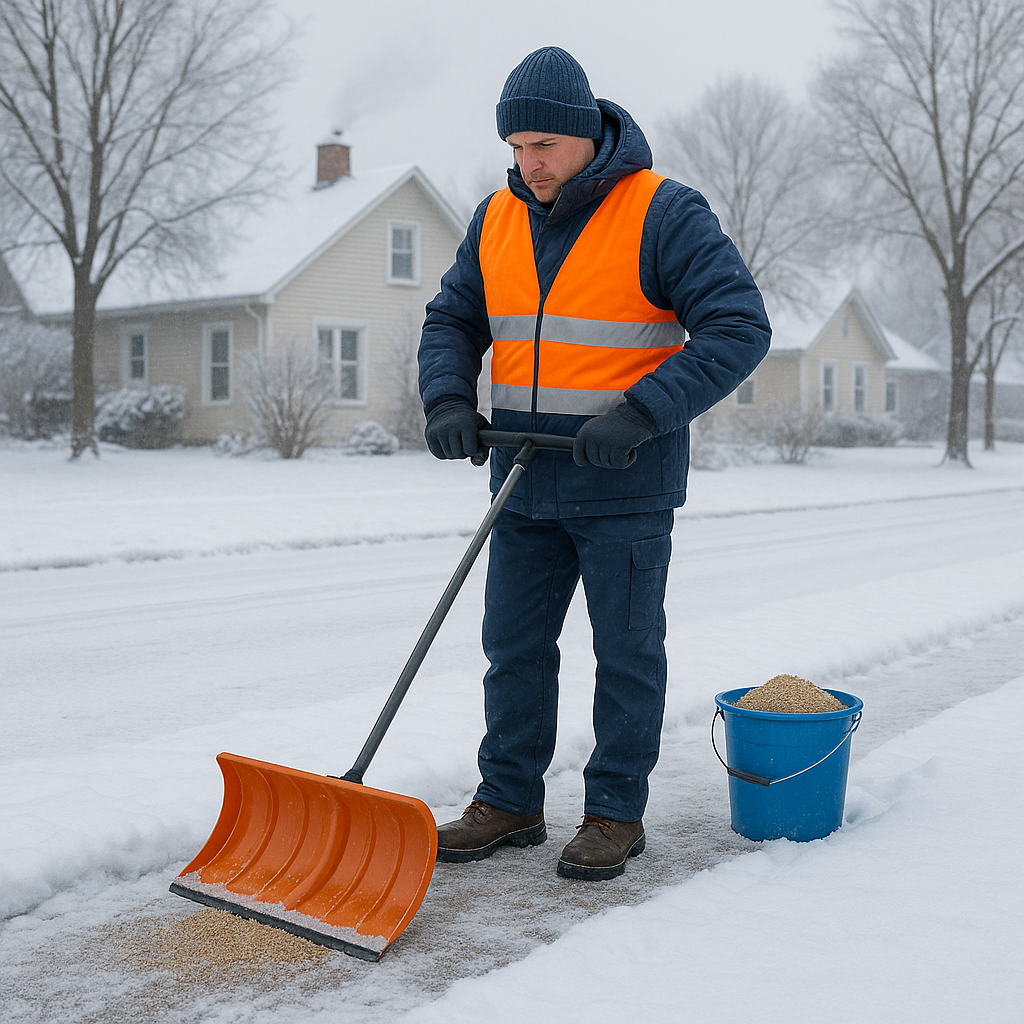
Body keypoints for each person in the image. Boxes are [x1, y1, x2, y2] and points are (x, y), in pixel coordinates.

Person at [418, 46, 770, 880]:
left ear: (584, 135)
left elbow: (737, 327)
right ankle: (508, 802)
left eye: (543, 144)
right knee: (514, 650)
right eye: (515, 148)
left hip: (623, 480)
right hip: (523, 477)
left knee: (626, 652)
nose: (528, 163)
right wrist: (447, 400)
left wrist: (644, 412)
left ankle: (614, 813)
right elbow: (451, 320)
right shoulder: (494, 218)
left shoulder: (662, 211)